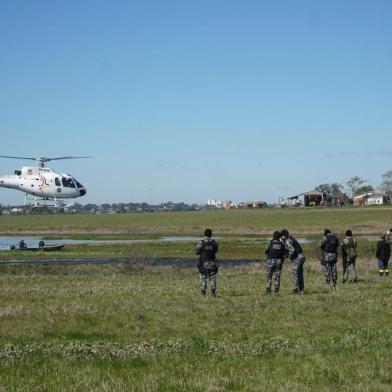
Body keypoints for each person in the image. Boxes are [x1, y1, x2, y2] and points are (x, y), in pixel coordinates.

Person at [281, 229, 306, 294]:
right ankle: (301, 289)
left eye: (282, 237)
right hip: (302, 256)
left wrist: (289, 257)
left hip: (298, 258)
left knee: (295, 274)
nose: (282, 238)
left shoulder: (288, 240)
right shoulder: (292, 238)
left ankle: (295, 290)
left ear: (284, 236)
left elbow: (292, 250)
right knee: (300, 274)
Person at [196, 228, 219, 297]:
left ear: (204, 234)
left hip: (203, 263)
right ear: (211, 234)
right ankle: (213, 293)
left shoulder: (201, 242)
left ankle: (203, 294)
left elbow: (197, 252)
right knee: (213, 277)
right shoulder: (215, 242)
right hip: (213, 263)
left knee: (203, 278)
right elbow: (215, 251)